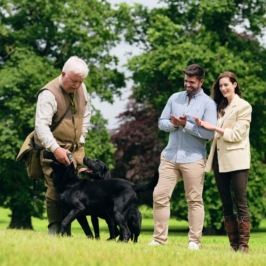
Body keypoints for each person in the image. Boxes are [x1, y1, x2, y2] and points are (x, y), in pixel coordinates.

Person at [148, 64, 217, 250]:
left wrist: (186, 125)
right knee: (159, 195)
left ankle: (194, 241)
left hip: (194, 158)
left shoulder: (208, 104)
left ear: (201, 82)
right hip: (170, 156)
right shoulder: (174, 98)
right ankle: (159, 239)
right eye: (185, 81)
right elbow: (162, 122)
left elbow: (210, 134)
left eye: (191, 82)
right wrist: (175, 124)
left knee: (194, 200)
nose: (187, 84)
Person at [193, 71, 252, 253]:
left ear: (235, 84)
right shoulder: (219, 107)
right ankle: (233, 245)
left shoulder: (244, 107)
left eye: (226, 84)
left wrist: (214, 127)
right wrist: (202, 125)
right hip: (218, 160)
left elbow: (236, 135)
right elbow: (214, 134)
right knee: (226, 203)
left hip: (238, 161)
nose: (223, 88)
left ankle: (243, 245)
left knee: (240, 202)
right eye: (220, 86)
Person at [34, 56, 91, 235]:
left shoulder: (82, 88)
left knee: (72, 188)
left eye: (80, 82)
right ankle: (54, 229)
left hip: (74, 148)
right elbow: (41, 126)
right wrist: (55, 148)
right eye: (74, 81)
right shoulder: (49, 93)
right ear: (63, 74)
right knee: (54, 187)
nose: (76, 85)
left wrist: (81, 138)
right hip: (52, 149)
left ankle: (65, 231)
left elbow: (86, 112)